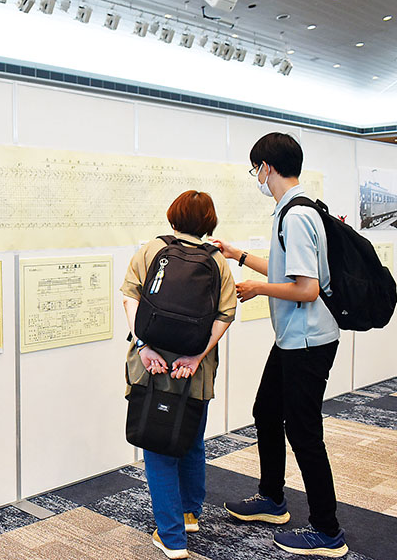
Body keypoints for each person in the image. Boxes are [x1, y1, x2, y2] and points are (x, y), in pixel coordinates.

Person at [213, 132, 348, 558]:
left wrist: (258, 288)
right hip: (294, 338)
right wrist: (237, 254)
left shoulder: (296, 215)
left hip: (308, 341)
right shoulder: (294, 208)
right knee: (266, 412)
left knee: (304, 432)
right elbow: (286, 267)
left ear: (266, 167)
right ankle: (272, 499)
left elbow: (307, 288)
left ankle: (327, 530)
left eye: (256, 168)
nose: (256, 175)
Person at [121, 190, 236, 559]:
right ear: (209, 222)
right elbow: (226, 315)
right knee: (191, 440)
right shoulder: (217, 262)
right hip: (194, 374)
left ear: (173, 216)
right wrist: (196, 356)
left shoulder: (153, 249)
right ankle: (189, 514)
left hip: (151, 369)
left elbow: (130, 298)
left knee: (157, 449)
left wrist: (144, 347)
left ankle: (171, 538)